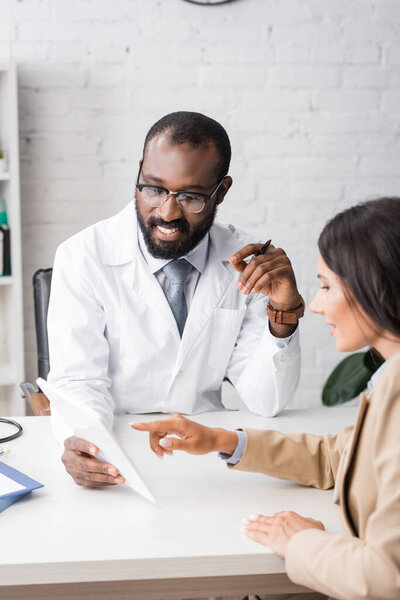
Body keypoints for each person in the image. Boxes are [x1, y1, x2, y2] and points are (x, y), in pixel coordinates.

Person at [132, 197, 400, 600]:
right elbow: (337, 456)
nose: (318, 304)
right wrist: (222, 441)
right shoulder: (389, 379)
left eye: (327, 285)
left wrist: (302, 543)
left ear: (376, 289)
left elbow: (385, 578)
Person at [47, 111, 304, 488]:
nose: (166, 212)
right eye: (153, 188)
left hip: (209, 453)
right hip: (119, 451)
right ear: (139, 172)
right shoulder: (82, 256)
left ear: (222, 190)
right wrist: (87, 441)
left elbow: (267, 401)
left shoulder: (247, 263)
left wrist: (283, 313)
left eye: (191, 197)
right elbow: (79, 380)